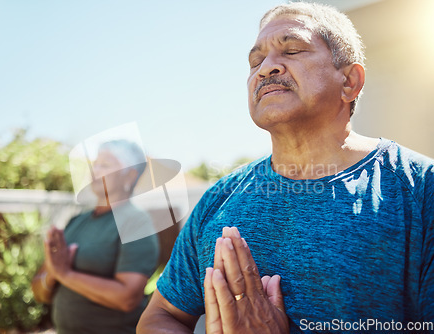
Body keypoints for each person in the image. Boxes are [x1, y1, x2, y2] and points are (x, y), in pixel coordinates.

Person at [137, 2, 434, 333]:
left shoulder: (421, 189)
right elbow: (161, 316)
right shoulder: (217, 200)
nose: (265, 68)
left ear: (349, 81)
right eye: (255, 61)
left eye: (291, 50)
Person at [32, 140, 160, 334]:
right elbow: (38, 291)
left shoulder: (136, 222)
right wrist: (52, 274)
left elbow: (127, 299)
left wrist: (65, 274)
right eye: (95, 164)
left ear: (130, 175)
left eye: (105, 165)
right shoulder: (77, 221)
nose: (95, 170)